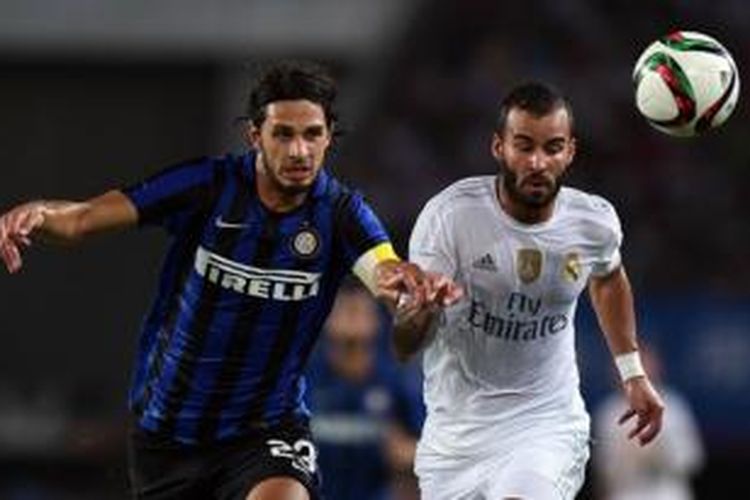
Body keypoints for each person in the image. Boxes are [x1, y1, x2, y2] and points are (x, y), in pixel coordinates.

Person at [0, 60, 457, 500]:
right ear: (254, 135)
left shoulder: (342, 216)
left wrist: (416, 305)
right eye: (284, 134)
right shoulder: (208, 185)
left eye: (313, 135)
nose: (299, 150)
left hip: (266, 429)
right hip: (168, 431)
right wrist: (38, 213)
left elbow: (392, 292)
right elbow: (83, 219)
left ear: (329, 137)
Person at [392, 82, 666, 500]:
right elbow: (406, 344)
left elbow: (609, 277)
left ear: (570, 152)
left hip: (544, 425)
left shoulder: (593, 223)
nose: (538, 162)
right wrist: (423, 310)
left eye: (552, 148)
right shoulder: (450, 218)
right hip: (455, 439)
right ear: (498, 147)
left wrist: (633, 374)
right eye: (524, 146)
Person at [307, 279, 423, 500]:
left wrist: (406, 453)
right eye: (343, 310)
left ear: (376, 322)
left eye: (360, 311)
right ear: (326, 319)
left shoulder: (396, 381)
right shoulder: (304, 379)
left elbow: (433, 448)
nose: (352, 315)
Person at [594, 344, 704, 500]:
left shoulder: (673, 406)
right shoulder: (608, 412)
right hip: (625, 494)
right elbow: (603, 471)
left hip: (667, 493)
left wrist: (659, 451)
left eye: (644, 364)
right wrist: (627, 455)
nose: (637, 372)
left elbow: (692, 461)